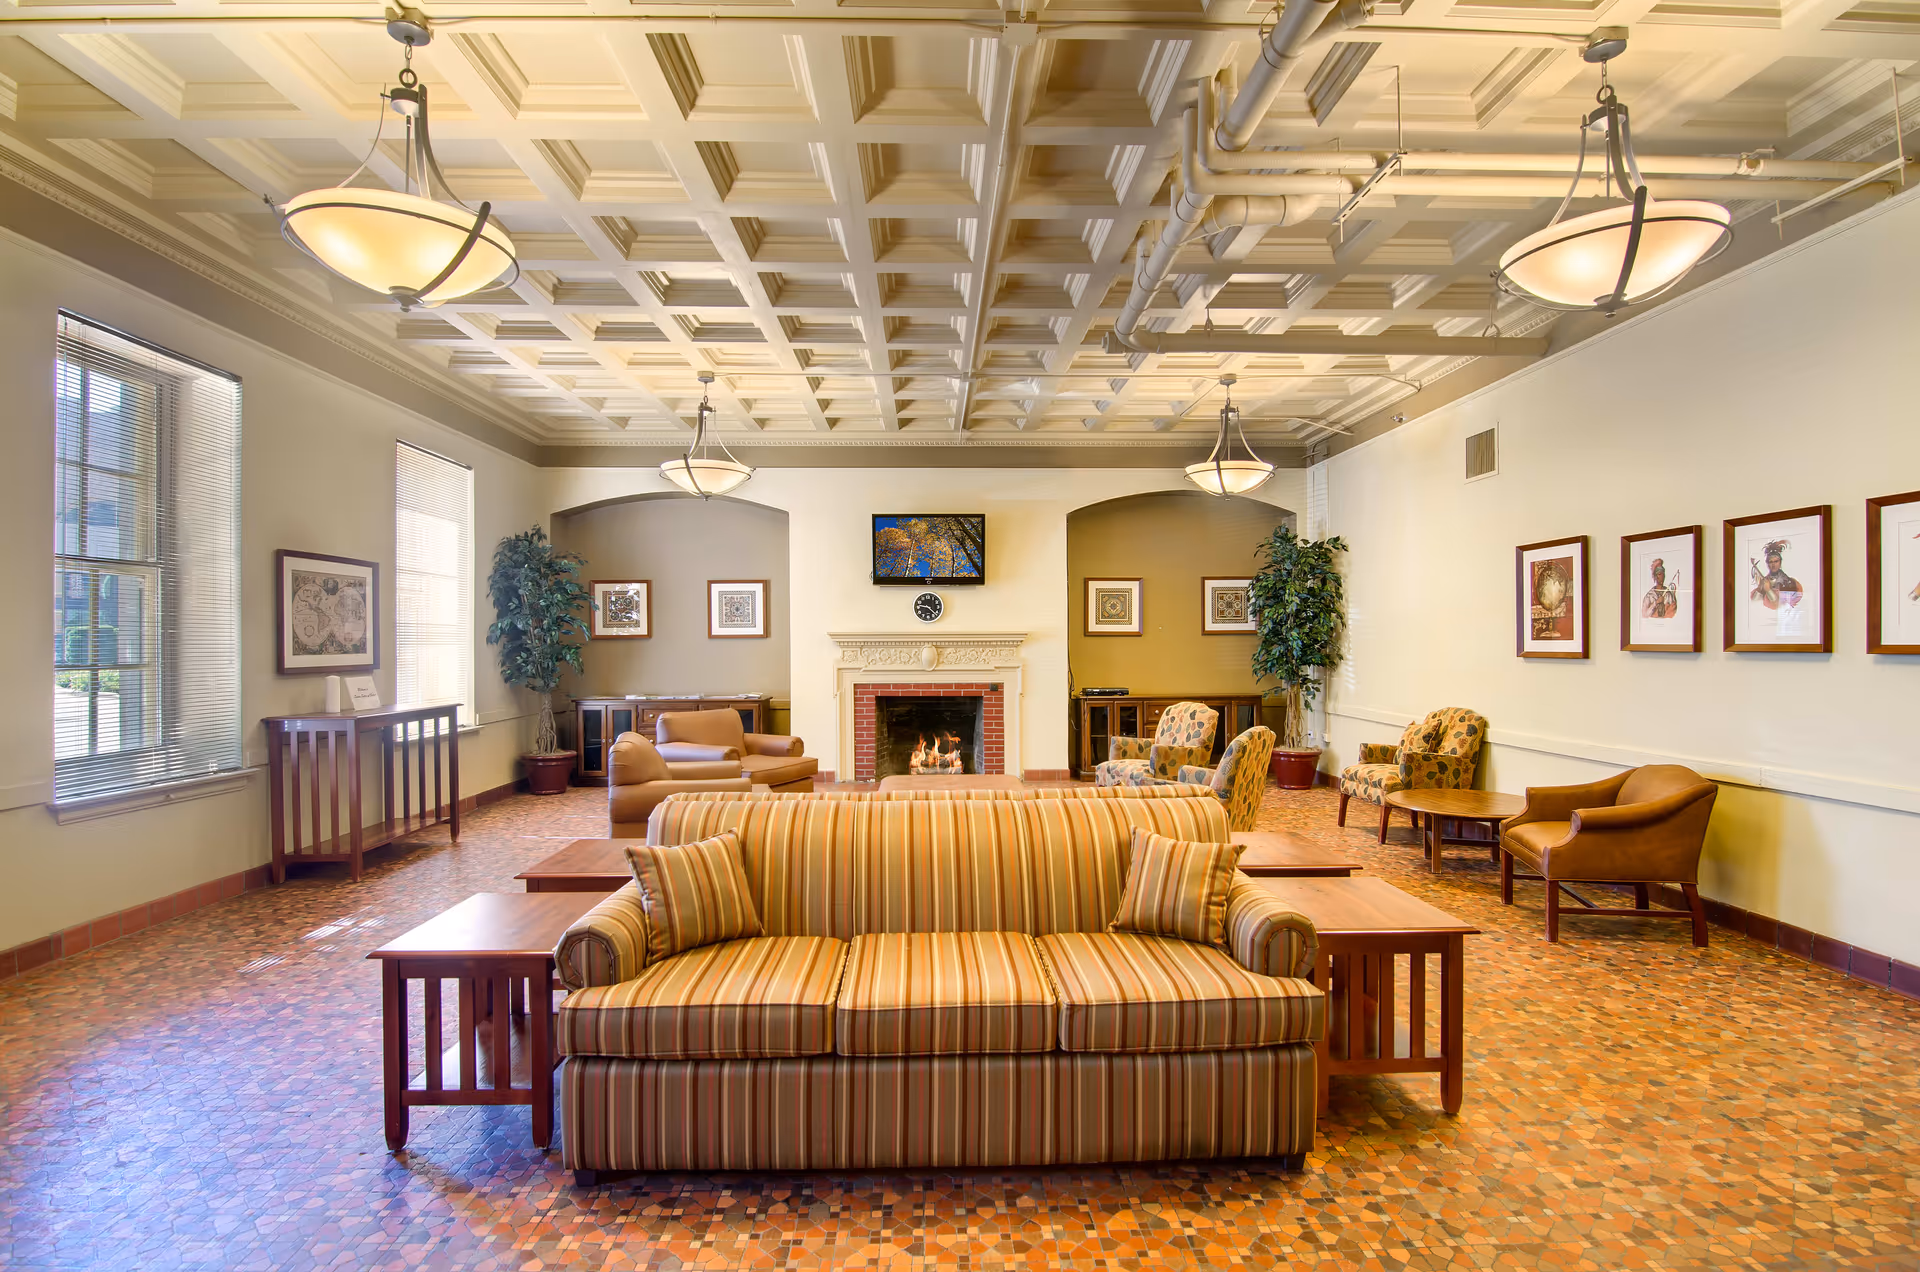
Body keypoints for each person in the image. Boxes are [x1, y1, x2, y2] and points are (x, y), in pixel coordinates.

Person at [1749, 539, 1803, 611]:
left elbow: (1779, 606)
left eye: (1776, 561)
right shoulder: (1763, 581)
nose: (1773, 565)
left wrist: (1768, 590)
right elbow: (1755, 605)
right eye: (1770, 562)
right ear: (1767, 564)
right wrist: (1760, 588)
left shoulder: (1791, 582)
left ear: (1780, 562)